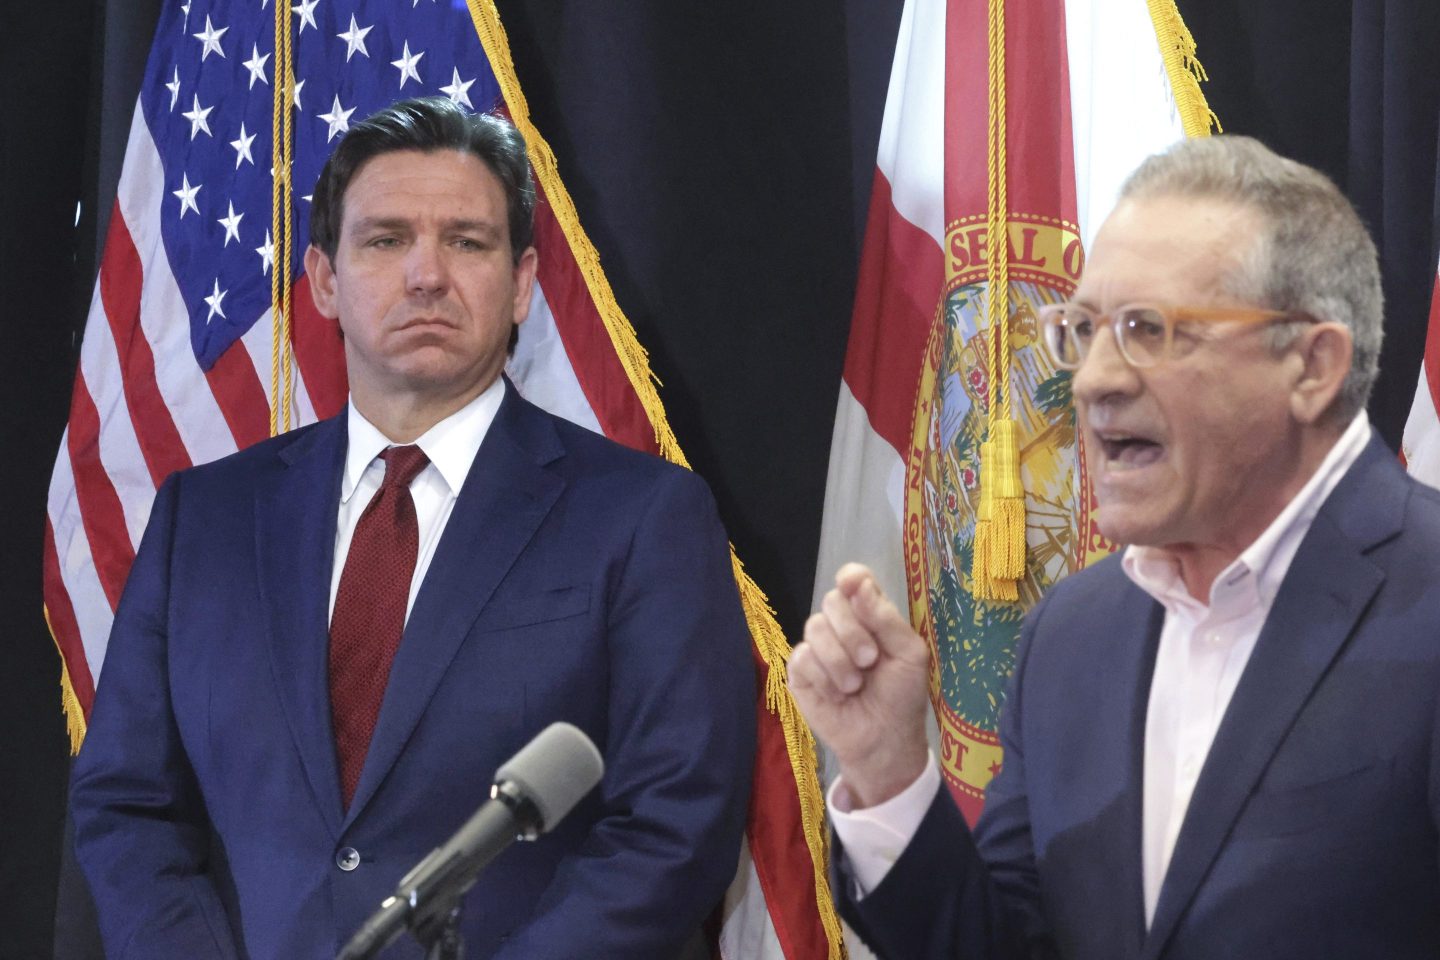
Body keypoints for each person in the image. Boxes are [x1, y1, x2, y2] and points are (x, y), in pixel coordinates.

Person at [69, 96, 755, 960]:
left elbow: (675, 824)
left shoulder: (643, 517)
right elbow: (128, 805)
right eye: (386, 239)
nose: (427, 275)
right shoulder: (202, 520)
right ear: (323, 279)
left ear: (523, 283)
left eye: (467, 241)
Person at [790, 135, 1440, 959]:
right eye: (1084, 329)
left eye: (1147, 329)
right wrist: (888, 774)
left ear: (1311, 366)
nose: (1093, 378)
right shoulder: (1073, 631)